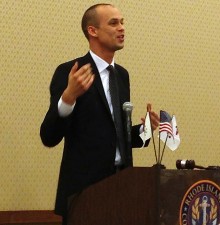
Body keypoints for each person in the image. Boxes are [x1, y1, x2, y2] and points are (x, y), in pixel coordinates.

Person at [40, 3, 159, 224]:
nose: (122, 28)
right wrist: (68, 98)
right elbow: (49, 136)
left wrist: (145, 131)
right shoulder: (70, 72)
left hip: (123, 191)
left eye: (123, 22)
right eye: (113, 23)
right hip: (85, 195)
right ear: (92, 31)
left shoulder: (121, 76)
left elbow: (114, 136)